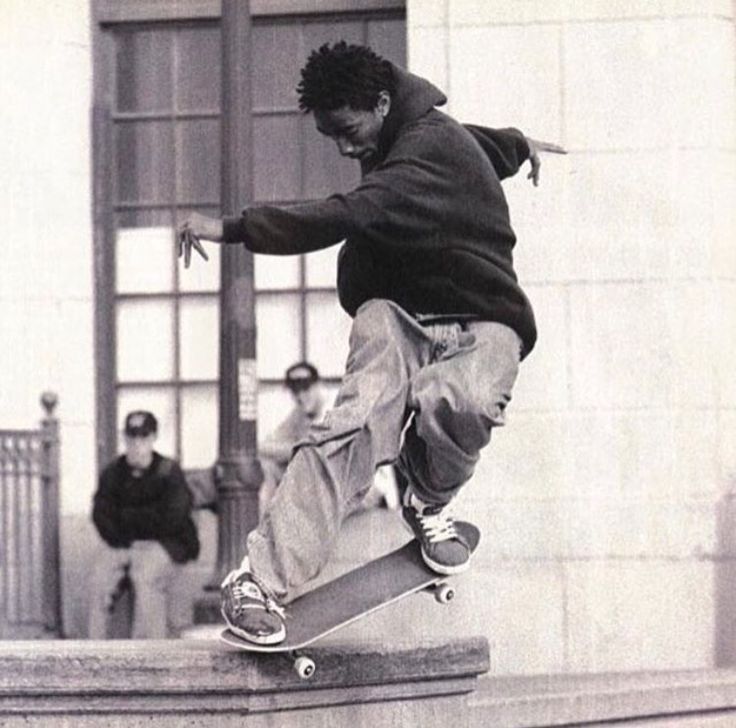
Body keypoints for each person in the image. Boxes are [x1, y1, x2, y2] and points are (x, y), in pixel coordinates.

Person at [178, 41, 564, 645]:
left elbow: (340, 216)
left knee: (465, 401)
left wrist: (231, 228)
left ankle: (427, 494)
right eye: (331, 135)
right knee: (355, 425)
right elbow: (482, 143)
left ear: (383, 103)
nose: (346, 148)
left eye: (349, 131)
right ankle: (259, 580)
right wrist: (520, 144)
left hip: (484, 314)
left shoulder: (420, 156)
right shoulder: (424, 132)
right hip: (395, 311)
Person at [88, 411, 200, 639]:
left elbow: (173, 517)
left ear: (153, 439)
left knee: (145, 574)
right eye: (131, 439)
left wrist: (130, 520)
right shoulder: (113, 473)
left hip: (166, 543)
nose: (137, 445)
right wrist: (124, 537)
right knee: (99, 577)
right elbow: (101, 514)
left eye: (143, 438)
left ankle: (148, 652)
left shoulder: (168, 471)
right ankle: (93, 650)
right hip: (123, 543)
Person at [259, 361, 400, 512]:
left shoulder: (336, 406)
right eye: (295, 390)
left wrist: (286, 451)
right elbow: (268, 444)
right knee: (271, 468)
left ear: (319, 385)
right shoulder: (300, 414)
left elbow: (314, 452)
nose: (301, 396)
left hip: (371, 490)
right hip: (341, 488)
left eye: (306, 388)